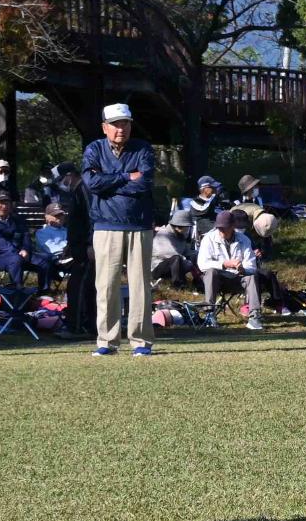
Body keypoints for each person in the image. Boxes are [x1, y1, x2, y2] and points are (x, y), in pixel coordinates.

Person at [81, 102, 156, 357]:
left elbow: (144, 183)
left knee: (140, 287)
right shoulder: (94, 149)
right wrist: (126, 176)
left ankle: (141, 342)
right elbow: (91, 182)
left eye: (125, 123)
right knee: (106, 286)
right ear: (105, 127)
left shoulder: (143, 149)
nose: (120, 128)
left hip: (139, 224)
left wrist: (110, 181)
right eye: (115, 124)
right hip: (105, 225)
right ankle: (107, 341)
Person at [198, 210, 265, 329]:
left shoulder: (244, 239)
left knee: (252, 276)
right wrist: (224, 264)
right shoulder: (208, 239)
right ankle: (209, 314)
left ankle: (254, 316)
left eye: (225, 228)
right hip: (217, 280)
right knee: (210, 272)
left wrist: (242, 269)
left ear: (233, 227)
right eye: (219, 228)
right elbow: (202, 264)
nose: (222, 231)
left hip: (238, 279)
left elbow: (252, 266)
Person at [53, 163, 95, 336]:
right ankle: (89, 326)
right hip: (78, 247)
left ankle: (76, 327)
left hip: (86, 248)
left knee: (78, 286)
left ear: (70, 175)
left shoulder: (84, 189)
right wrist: (69, 246)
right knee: (84, 287)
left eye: (61, 179)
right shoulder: (77, 191)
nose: (61, 184)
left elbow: (92, 217)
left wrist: (92, 244)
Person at [151, 208, 200, 290]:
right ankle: (177, 285)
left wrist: (197, 255)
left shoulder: (180, 236)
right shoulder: (164, 234)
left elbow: (186, 252)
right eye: (187, 227)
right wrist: (189, 264)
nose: (188, 229)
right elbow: (169, 254)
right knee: (176, 258)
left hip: (174, 268)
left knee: (195, 255)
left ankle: (199, 283)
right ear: (179, 226)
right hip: (157, 269)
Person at [29, 202, 72, 294]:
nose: (59, 218)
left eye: (61, 215)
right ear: (47, 217)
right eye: (56, 215)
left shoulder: (68, 230)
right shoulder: (42, 232)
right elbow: (51, 249)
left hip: (71, 256)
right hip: (56, 259)